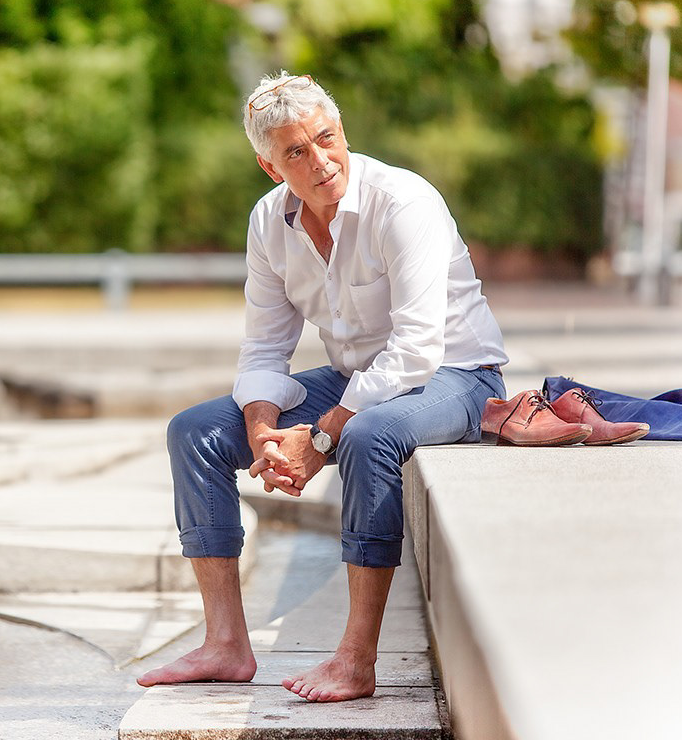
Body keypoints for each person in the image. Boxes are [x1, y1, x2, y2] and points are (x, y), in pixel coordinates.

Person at [137, 72, 508, 702]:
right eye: (296, 152)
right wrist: (262, 433)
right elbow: (263, 348)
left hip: (457, 376)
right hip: (354, 378)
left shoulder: (402, 202)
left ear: (342, 130)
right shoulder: (268, 223)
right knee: (195, 432)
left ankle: (356, 659)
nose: (320, 160)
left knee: (367, 435)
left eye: (325, 138)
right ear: (268, 164)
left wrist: (321, 432)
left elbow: (417, 350)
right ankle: (226, 644)